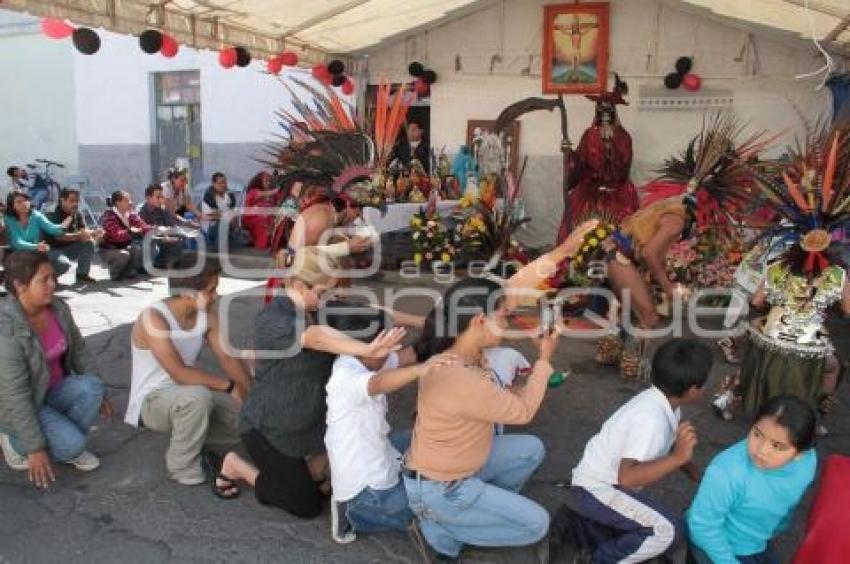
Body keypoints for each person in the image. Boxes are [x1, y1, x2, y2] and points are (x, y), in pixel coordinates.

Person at [400, 221, 596, 562]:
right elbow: (522, 411)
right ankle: (439, 531)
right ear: (479, 320)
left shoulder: (461, 340)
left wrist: (562, 253)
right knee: (537, 525)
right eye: (504, 318)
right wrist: (544, 361)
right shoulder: (457, 373)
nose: (509, 322)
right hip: (441, 489)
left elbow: (514, 288)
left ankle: (477, 511)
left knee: (530, 449)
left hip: (459, 467)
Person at [205, 247, 406, 517]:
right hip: (268, 430)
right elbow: (314, 337)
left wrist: (428, 321)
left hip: (306, 428)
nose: (328, 298)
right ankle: (236, 466)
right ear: (300, 286)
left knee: (322, 489)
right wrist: (365, 350)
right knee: (307, 506)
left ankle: (309, 469)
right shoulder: (273, 319)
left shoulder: (316, 306)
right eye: (324, 292)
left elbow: (369, 312)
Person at [550, 338, 712, 564]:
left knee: (653, 530)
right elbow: (627, 477)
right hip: (597, 490)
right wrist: (678, 458)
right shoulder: (652, 419)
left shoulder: (664, 403)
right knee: (668, 531)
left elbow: (673, 443)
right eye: (705, 383)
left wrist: (696, 473)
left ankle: (578, 527)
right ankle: (599, 559)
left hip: (602, 486)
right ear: (693, 389)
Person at [323, 306, 455, 544]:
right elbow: (378, 383)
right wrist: (422, 369)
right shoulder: (344, 375)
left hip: (380, 448)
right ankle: (352, 514)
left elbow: (412, 353)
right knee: (440, 508)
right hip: (368, 492)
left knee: (427, 438)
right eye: (385, 347)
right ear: (361, 347)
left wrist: (439, 325)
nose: (391, 353)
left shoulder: (371, 357)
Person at [124, 256, 252, 487]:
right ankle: (180, 464)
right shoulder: (153, 318)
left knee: (245, 420)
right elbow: (179, 373)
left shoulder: (206, 316)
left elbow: (227, 357)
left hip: (186, 395)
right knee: (198, 397)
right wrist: (230, 387)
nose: (216, 296)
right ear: (186, 293)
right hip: (151, 403)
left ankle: (192, 434)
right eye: (211, 290)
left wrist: (251, 395)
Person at [0, 251, 111, 487]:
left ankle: (64, 441)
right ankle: (14, 440)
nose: (54, 284)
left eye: (54, 277)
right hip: (22, 403)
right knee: (71, 445)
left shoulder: (57, 308)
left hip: (52, 390)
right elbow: (14, 395)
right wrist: (35, 448)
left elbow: (80, 351)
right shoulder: (5, 330)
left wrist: (104, 394)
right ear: (20, 286)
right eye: (44, 279)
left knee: (93, 388)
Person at [687, 395, 817, 564]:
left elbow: (791, 500)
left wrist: (778, 528)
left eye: (777, 445)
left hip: (759, 542)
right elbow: (702, 526)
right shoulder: (726, 472)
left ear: (800, 453)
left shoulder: (808, 462)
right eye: (757, 434)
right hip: (720, 545)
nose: (761, 450)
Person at [556, 74, 638, 240]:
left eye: (609, 110)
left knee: (620, 232)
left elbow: (624, 167)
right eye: (601, 110)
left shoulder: (623, 137)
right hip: (589, 192)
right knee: (577, 230)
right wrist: (568, 153)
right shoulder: (589, 135)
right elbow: (579, 162)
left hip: (618, 192)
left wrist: (611, 145)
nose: (605, 114)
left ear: (614, 112)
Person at [5, 191, 73, 273]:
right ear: (12, 206)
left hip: (38, 251)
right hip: (17, 254)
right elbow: (16, 242)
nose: (24, 203)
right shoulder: (9, 219)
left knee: (64, 263)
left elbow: (51, 228)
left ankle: (44, 281)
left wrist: (62, 226)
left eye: (26, 200)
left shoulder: (36, 215)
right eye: (19, 202)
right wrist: (36, 246)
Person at [45, 188, 101, 284]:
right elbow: (59, 236)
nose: (75, 204)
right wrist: (79, 235)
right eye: (72, 201)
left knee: (89, 242)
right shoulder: (52, 213)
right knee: (64, 264)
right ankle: (45, 280)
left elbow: (82, 231)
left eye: (77, 201)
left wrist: (94, 232)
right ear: (62, 200)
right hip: (51, 249)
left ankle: (82, 275)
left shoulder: (76, 212)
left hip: (68, 247)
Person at [99, 190, 154, 281]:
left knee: (136, 249)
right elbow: (116, 236)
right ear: (118, 202)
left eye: (130, 199)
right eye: (127, 200)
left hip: (123, 246)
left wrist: (156, 230)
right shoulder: (109, 216)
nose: (130, 202)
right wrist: (130, 231)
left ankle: (128, 271)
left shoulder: (131, 214)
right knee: (124, 254)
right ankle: (115, 273)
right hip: (108, 249)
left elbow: (142, 225)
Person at [138, 184, 186, 269]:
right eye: (158, 197)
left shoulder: (161, 209)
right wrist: (162, 237)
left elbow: (172, 223)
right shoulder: (141, 211)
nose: (161, 199)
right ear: (148, 198)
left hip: (162, 237)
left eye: (162, 196)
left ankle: (162, 262)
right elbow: (143, 233)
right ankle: (147, 265)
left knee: (180, 235)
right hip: (146, 240)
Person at [199, 172, 248, 251]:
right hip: (211, 226)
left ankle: (230, 239)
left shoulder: (230, 196)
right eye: (221, 183)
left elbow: (233, 213)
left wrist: (234, 223)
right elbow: (211, 216)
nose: (223, 185)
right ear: (214, 184)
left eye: (225, 182)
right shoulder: (209, 196)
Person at [242, 171, 282, 250]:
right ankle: (261, 245)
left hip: (269, 216)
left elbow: (280, 199)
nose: (268, 182)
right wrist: (278, 189)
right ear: (259, 182)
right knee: (263, 220)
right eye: (266, 181)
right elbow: (264, 194)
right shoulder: (253, 191)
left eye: (269, 181)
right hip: (252, 217)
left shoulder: (273, 193)